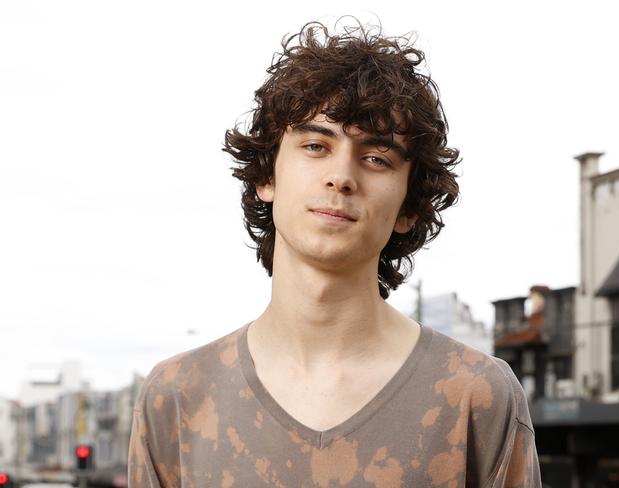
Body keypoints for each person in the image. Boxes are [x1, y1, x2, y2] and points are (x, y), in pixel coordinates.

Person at [128, 18, 542, 487]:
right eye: (315, 145)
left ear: (408, 206)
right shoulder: (178, 396)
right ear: (267, 175)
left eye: (376, 157)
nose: (341, 176)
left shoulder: (475, 394)